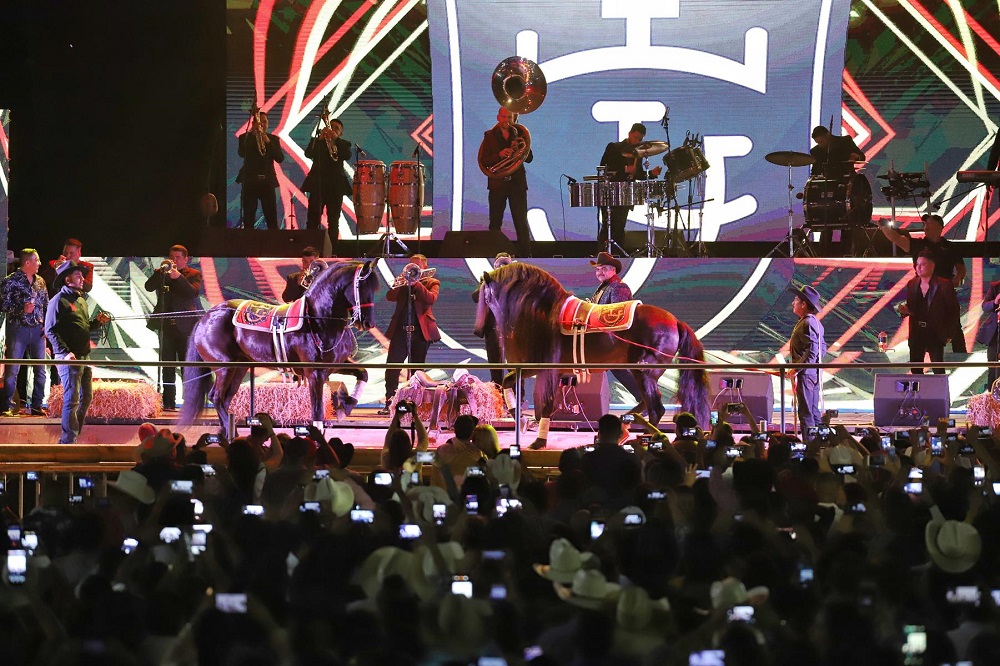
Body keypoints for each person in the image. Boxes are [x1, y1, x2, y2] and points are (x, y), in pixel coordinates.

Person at [44, 261, 111, 443]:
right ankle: (68, 440)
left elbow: (84, 327)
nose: (82, 279)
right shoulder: (57, 301)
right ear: (68, 280)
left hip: (84, 357)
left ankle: (73, 435)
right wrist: (65, 352)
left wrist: (98, 322)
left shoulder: (81, 300)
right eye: (78, 276)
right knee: (72, 400)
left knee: (86, 397)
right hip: (69, 358)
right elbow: (50, 329)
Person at [880, 213, 967, 351]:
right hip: (922, 294)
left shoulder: (950, 247)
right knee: (919, 326)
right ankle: (918, 356)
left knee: (953, 326)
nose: (926, 225)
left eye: (930, 222)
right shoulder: (917, 244)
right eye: (925, 223)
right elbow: (896, 238)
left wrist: (957, 280)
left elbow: (961, 269)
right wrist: (884, 227)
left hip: (944, 293)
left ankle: (961, 357)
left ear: (940, 227)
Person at [378, 254, 440, 415]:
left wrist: (416, 283)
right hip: (400, 331)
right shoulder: (402, 282)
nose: (413, 270)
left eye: (417, 267)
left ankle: (417, 405)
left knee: (418, 371)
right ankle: (390, 403)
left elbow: (430, 299)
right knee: (392, 368)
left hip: (420, 333)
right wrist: (400, 282)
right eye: (411, 266)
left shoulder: (432, 282)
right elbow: (390, 297)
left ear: (425, 267)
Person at [144, 245, 203, 411]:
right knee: (167, 366)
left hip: (185, 327)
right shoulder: (162, 273)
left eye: (178, 257)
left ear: (185, 259)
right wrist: (159, 273)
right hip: (166, 326)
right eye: (172, 257)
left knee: (187, 367)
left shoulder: (193, 274)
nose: (174, 260)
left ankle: (189, 403)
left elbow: (193, 293)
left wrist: (179, 277)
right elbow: (148, 287)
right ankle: (168, 402)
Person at [598, 122, 662, 252]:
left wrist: (652, 174)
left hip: (626, 194)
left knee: (620, 227)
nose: (637, 141)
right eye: (635, 137)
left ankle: (619, 255)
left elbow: (637, 174)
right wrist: (625, 169)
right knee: (608, 226)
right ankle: (602, 254)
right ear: (629, 134)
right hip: (611, 192)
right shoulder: (614, 147)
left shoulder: (638, 153)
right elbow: (604, 167)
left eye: (640, 139)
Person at [589, 252, 642, 408]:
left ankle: (644, 398)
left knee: (615, 367)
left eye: (604, 268)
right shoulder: (604, 287)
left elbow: (618, 316)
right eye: (598, 269)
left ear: (613, 270)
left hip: (615, 340)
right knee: (614, 369)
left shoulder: (618, 286)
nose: (600, 272)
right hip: (605, 339)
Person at [478, 107, 532, 257]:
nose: (506, 121)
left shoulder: (519, 134)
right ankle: (494, 255)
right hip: (497, 185)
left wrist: (519, 149)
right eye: (504, 117)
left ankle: (526, 256)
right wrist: (499, 155)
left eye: (509, 117)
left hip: (517, 185)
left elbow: (529, 158)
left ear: (513, 118)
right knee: (495, 222)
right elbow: (484, 160)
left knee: (521, 222)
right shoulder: (489, 136)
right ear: (498, 117)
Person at [0, 249, 48, 416]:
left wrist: (46, 325)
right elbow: (3, 305)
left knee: (40, 370)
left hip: (37, 331)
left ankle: (36, 405)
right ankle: (8, 406)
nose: (39, 264)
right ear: (28, 263)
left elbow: (46, 304)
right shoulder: (10, 281)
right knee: (13, 370)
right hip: (18, 330)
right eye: (37, 261)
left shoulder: (40, 281)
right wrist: (22, 309)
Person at [898, 251, 959, 375]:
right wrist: (904, 311)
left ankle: (939, 388)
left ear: (932, 265)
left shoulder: (944, 284)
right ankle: (917, 388)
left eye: (923, 264)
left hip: (935, 332)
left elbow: (953, 310)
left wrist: (949, 334)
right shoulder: (912, 284)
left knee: (938, 368)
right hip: (917, 331)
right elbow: (911, 307)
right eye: (917, 264)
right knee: (916, 369)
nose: (919, 267)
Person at [303, 115, 352, 250]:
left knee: (333, 221)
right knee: (313, 219)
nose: (333, 130)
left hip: (335, 187)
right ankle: (311, 250)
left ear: (340, 133)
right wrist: (320, 138)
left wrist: (336, 139)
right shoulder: (318, 142)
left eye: (337, 128)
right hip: (317, 185)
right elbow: (308, 154)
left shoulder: (344, 144)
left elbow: (347, 155)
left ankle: (333, 250)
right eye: (331, 127)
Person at [236, 110, 286, 230]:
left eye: (264, 122)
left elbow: (280, 158)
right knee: (248, 219)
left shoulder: (273, 139)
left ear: (268, 124)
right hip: (250, 181)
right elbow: (241, 153)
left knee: (271, 218)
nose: (262, 124)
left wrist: (267, 141)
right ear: (253, 123)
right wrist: (253, 135)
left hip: (267, 182)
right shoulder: (245, 137)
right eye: (259, 122)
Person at [787, 285, 826, 430]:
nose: (793, 303)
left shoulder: (807, 323)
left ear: (803, 304)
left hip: (806, 375)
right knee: (813, 412)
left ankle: (809, 443)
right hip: (813, 373)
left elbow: (812, 351)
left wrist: (796, 369)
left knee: (806, 413)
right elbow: (822, 349)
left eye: (796, 300)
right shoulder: (815, 323)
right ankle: (817, 441)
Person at [472, 252, 513, 385]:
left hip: (512, 328)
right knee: (495, 364)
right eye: (500, 263)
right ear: (495, 265)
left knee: (514, 364)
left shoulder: (516, 278)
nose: (502, 266)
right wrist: (488, 283)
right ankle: (497, 393)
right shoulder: (487, 279)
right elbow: (475, 297)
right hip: (492, 328)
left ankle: (517, 394)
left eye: (505, 263)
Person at [976, 278, 1000, 392]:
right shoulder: (995, 286)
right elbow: (985, 306)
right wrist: (995, 302)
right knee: (993, 369)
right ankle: (991, 397)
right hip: (996, 335)